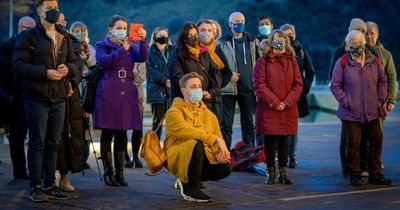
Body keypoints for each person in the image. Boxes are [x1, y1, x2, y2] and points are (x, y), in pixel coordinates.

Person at [13, 0, 79, 201]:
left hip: (58, 97)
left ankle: (50, 184)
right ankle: (36, 186)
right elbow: (18, 67)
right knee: (37, 143)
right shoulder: (28, 36)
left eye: (56, 6)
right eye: (50, 8)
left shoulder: (64, 36)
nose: (54, 11)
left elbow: (76, 63)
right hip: (36, 98)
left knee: (54, 143)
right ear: (40, 11)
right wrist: (45, 73)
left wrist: (69, 69)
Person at [330, 30, 391, 186]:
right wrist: (346, 101)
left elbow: (383, 81)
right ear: (348, 45)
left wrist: (380, 98)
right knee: (353, 143)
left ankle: (375, 174)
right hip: (351, 112)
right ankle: (355, 174)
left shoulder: (374, 61)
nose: (357, 46)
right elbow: (335, 86)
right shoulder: (342, 63)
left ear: (364, 43)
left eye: (359, 43)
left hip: (372, 110)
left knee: (377, 140)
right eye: (353, 44)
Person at [94, 15, 148, 187]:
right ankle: (109, 173)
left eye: (125, 27)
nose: (122, 30)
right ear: (110, 29)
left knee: (122, 132)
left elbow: (142, 57)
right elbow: (102, 61)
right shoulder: (102, 45)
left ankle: (120, 173)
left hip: (127, 92)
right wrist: (122, 50)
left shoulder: (131, 45)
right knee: (108, 132)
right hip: (109, 91)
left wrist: (143, 40)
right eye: (119, 27)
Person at [164, 72, 232, 203]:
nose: (198, 90)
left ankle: (190, 178)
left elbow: (218, 135)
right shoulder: (173, 112)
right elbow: (186, 131)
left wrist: (220, 150)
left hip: (201, 154)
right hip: (177, 155)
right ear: (184, 91)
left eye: (200, 86)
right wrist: (215, 140)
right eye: (193, 86)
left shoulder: (210, 115)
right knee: (195, 143)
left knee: (225, 168)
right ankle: (191, 188)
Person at [253, 29, 303, 185]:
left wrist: (287, 102)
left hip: (287, 108)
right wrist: (275, 102)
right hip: (269, 107)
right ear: (270, 40)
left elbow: (298, 84)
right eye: (276, 38)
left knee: (284, 140)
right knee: (269, 140)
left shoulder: (292, 60)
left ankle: (283, 172)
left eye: (282, 38)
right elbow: (259, 84)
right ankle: (270, 172)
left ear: (286, 41)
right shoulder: (263, 61)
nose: (279, 41)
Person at [328, 18, 368, 177]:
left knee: (365, 137)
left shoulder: (368, 51)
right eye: (359, 30)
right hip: (349, 103)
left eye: (364, 32)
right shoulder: (340, 51)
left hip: (366, 104)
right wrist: (345, 99)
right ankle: (347, 168)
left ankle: (363, 166)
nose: (361, 34)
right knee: (347, 137)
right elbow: (332, 76)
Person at [0, 16, 35, 180]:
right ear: (20, 28)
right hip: (10, 97)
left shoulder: (34, 47)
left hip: (27, 96)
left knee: (20, 135)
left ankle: (21, 171)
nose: (30, 32)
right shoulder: (7, 46)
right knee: (16, 136)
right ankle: (19, 170)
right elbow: (6, 69)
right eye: (27, 28)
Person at [54, 14, 85, 192]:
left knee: (70, 135)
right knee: (54, 137)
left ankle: (64, 177)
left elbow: (78, 67)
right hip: (51, 93)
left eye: (63, 21)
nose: (61, 23)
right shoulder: (40, 38)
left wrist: (72, 84)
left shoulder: (72, 40)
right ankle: (51, 176)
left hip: (71, 94)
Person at [218, 12, 257, 148]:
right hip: (228, 89)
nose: (239, 23)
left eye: (242, 21)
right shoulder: (221, 42)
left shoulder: (252, 41)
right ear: (230, 24)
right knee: (226, 125)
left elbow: (259, 63)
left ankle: (250, 153)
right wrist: (228, 74)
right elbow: (216, 65)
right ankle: (225, 154)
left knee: (249, 124)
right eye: (236, 21)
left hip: (247, 88)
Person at [280, 23, 315, 168]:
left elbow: (310, 71)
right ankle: (279, 154)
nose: (289, 36)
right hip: (280, 95)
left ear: (295, 34)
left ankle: (292, 156)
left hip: (296, 95)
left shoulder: (301, 50)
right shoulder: (277, 50)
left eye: (291, 34)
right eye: (285, 34)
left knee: (292, 127)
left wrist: (304, 88)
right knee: (279, 126)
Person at [168, 22, 219, 115]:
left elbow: (215, 72)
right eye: (190, 35)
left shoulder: (204, 52)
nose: (194, 37)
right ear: (184, 37)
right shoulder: (176, 53)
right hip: (184, 101)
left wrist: (211, 92)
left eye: (196, 35)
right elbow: (176, 77)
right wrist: (193, 92)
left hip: (204, 100)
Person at [69, 21, 97, 170]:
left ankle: (84, 158)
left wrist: (86, 57)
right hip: (73, 87)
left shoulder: (90, 48)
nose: (79, 33)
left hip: (87, 89)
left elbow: (95, 66)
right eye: (76, 30)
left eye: (81, 30)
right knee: (73, 125)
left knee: (86, 125)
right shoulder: (67, 46)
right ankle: (73, 157)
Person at [197, 19, 232, 120]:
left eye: (209, 30)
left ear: (214, 33)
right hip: (196, 97)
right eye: (202, 30)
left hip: (214, 98)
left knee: (215, 129)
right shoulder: (193, 50)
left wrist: (216, 87)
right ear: (197, 32)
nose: (206, 33)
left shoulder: (217, 50)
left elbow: (227, 73)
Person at [146, 27, 173, 139]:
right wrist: (164, 80)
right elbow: (149, 69)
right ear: (155, 37)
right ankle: (154, 149)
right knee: (158, 122)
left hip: (172, 91)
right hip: (156, 92)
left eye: (165, 35)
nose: (163, 37)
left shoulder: (173, 50)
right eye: (160, 35)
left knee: (173, 122)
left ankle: (171, 148)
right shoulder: (149, 51)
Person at [125, 62, 146, 168]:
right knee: (121, 127)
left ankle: (135, 156)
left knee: (138, 127)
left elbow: (141, 78)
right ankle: (125, 157)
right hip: (121, 94)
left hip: (137, 95)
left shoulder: (139, 57)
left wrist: (126, 77)